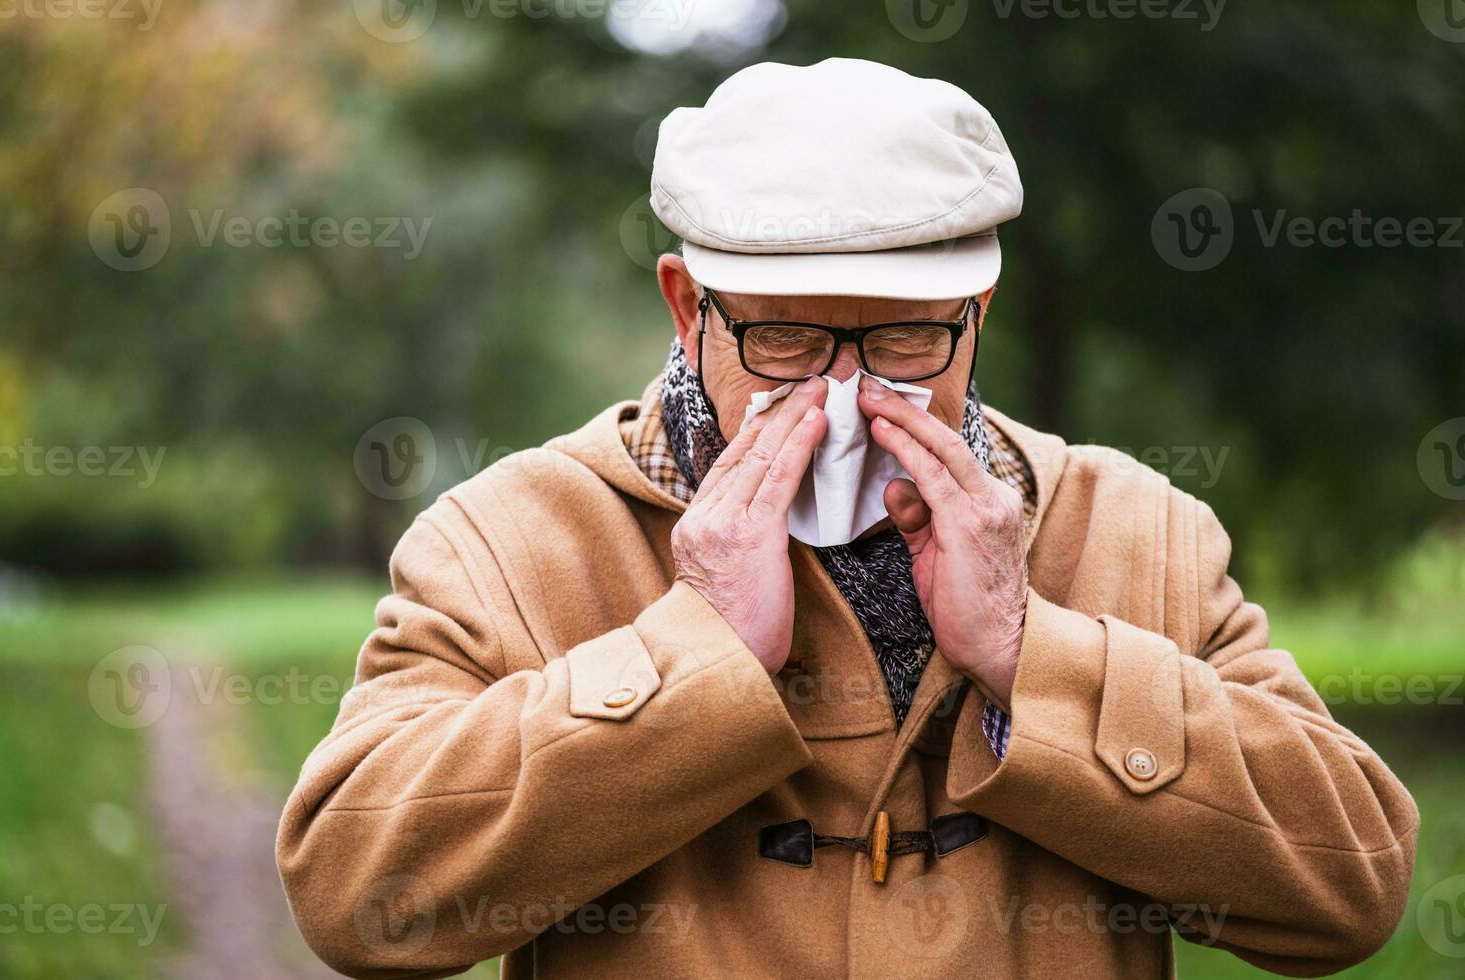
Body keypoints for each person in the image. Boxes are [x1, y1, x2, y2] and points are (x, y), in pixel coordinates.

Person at [277, 58, 1416, 979]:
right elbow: (354, 892)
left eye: (906, 339)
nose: (846, 397)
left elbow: (1351, 881)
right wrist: (697, 651)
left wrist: (1034, 653)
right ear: (687, 308)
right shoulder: (512, 538)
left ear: (979, 312)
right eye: (783, 339)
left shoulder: (1136, 526)